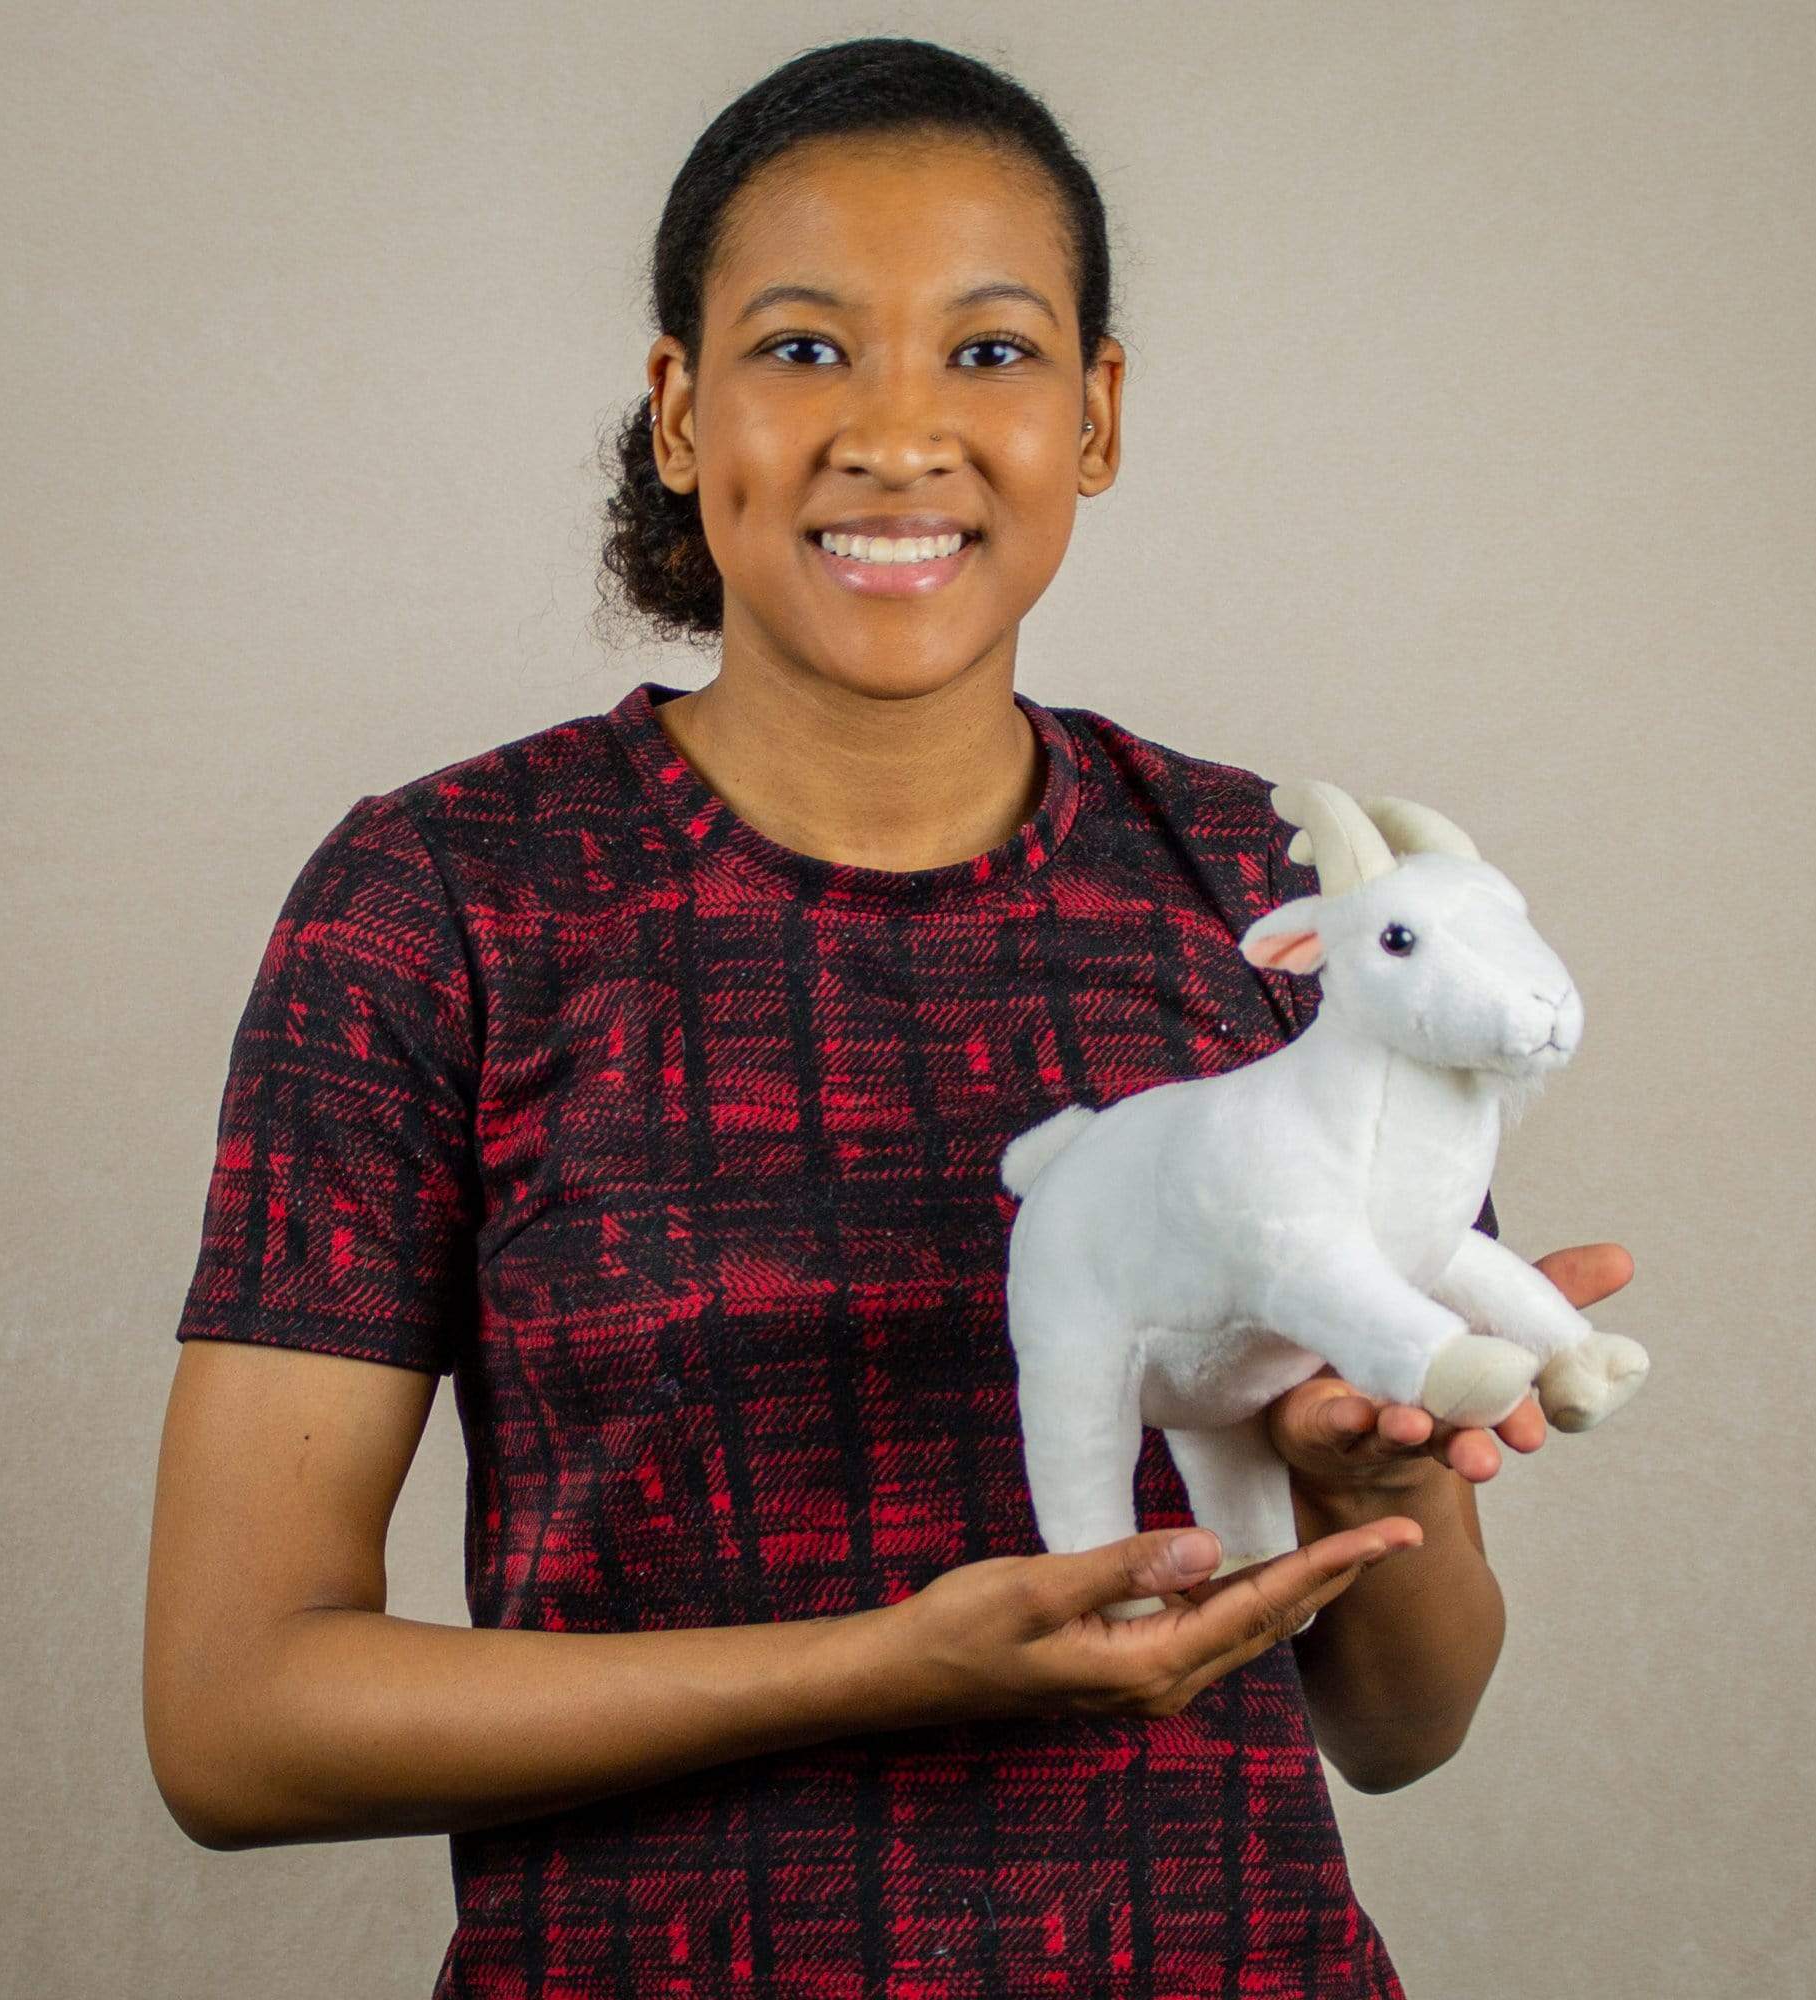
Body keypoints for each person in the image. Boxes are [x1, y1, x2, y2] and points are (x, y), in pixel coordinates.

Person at [143, 35, 1634, 1998]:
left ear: (1095, 418)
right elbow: (235, 1717)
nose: (900, 432)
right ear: (681, 410)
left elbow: (1402, 1722)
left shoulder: (1266, 895)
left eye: (992, 354)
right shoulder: (448, 900)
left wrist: (1375, 1494)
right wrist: (883, 1666)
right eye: (805, 348)